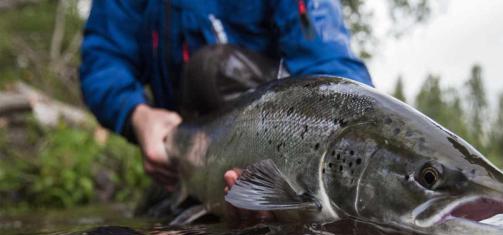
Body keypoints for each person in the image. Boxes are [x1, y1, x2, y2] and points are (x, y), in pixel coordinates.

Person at [79, 0, 372, 218]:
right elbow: (103, 60)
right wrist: (136, 114)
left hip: (275, 142)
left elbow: (331, 65)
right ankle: (196, 194)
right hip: (181, 154)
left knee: (214, 69)